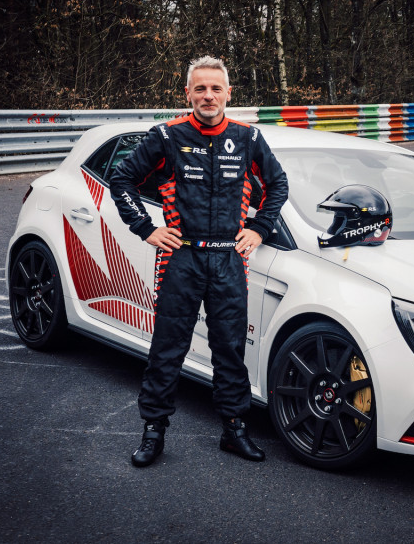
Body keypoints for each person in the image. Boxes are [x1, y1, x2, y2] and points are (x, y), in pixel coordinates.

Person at [109, 55, 289, 467]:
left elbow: (278, 184)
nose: (208, 96)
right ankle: (153, 432)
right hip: (181, 257)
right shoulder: (167, 135)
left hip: (229, 259)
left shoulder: (248, 138)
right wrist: (145, 228)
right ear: (187, 93)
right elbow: (121, 179)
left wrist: (260, 228)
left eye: (216, 88)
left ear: (229, 93)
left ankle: (234, 430)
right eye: (200, 88)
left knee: (229, 349)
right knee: (168, 348)